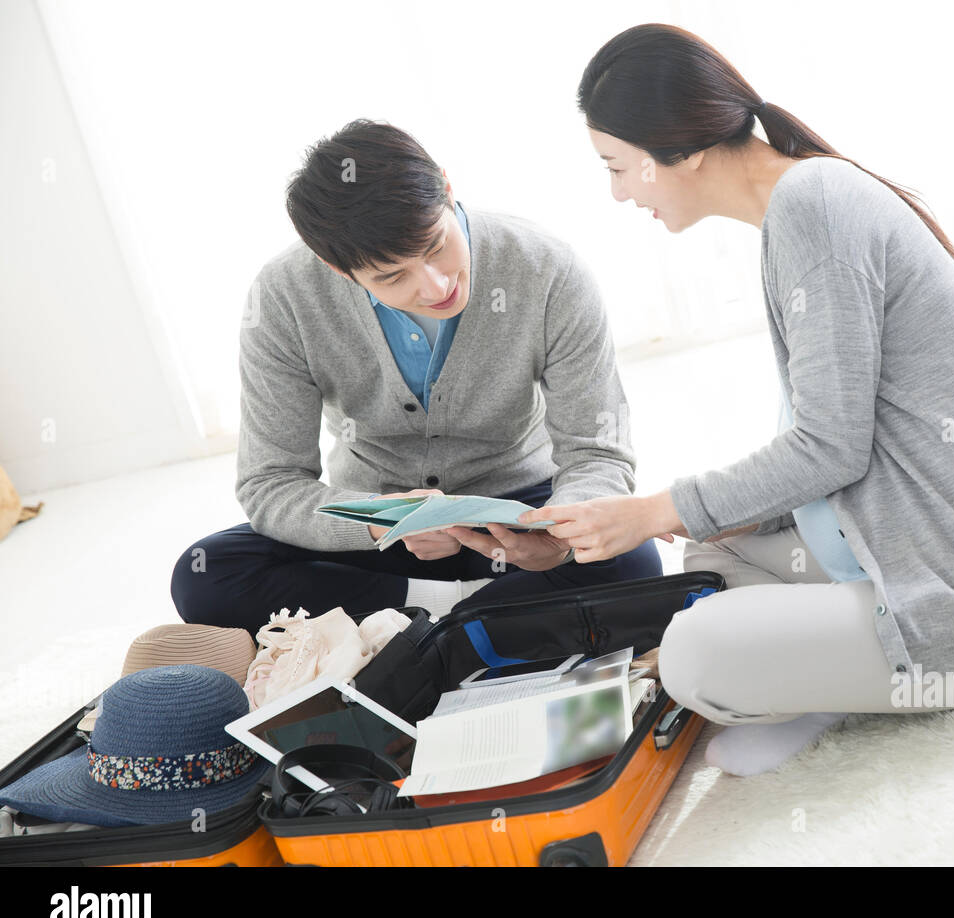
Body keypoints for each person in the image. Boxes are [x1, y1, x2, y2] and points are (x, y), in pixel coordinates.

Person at [524, 24, 954, 776]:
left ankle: (847, 676)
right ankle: (838, 671)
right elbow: (833, 440)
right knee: (711, 548)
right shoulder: (805, 198)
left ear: (684, 149)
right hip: (948, 550)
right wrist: (680, 512)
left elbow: (831, 447)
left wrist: (651, 511)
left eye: (617, 167)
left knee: (697, 653)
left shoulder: (812, 207)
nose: (616, 193)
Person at [171, 120, 662, 639]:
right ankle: (465, 615)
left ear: (448, 190)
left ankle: (419, 629)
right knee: (206, 572)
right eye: (391, 276)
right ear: (336, 268)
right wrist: (379, 522)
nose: (436, 286)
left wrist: (556, 534)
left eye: (435, 245)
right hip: (380, 542)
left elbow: (598, 454)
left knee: (631, 560)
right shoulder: (285, 296)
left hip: (519, 522)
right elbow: (270, 483)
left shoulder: (547, 269)